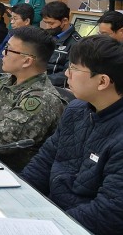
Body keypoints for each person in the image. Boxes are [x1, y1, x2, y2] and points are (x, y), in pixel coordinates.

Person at [21, 35, 123, 235]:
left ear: (103, 81)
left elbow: (110, 212)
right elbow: (44, 162)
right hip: (51, 212)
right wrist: (18, 198)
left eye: (74, 68)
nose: (67, 73)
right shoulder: (76, 109)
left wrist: (49, 226)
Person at [0, 26, 66, 172]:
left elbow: (5, 138)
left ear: (27, 61)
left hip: (5, 169)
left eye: (8, 49)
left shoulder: (43, 99)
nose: (3, 53)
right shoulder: (2, 79)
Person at [41, 1, 80, 87]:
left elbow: (68, 73)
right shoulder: (46, 35)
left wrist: (41, 81)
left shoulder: (77, 44)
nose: (47, 27)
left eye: (51, 23)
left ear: (64, 21)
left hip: (56, 87)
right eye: (45, 23)